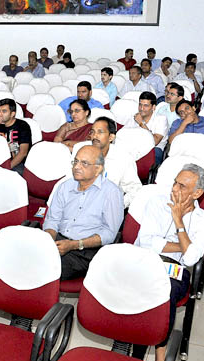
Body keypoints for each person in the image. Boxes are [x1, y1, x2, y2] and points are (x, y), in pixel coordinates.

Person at [134, 164, 204, 361]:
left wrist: (178, 222)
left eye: (182, 186)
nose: (174, 189)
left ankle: (156, 358)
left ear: (197, 193)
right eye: (175, 183)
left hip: (175, 270)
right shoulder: (156, 203)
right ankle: (139, 353)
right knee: (139, 286)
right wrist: (185, 245)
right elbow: (146, 242)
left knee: (163, 291)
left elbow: (190, 258)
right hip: (144, 260)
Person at [44, 145, 124, 280]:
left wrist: (74, 245)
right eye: (75, 161)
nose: (76, 167)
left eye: (84, 163)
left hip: (85, 249)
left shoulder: (111, 193)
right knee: (26, 254)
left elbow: (109, 234)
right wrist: (48, 241)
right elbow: (52, 220)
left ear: (98, 169)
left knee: (46, 268)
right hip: (58, 240)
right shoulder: (65, 186)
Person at [88, 116, 142, 207]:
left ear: (111, 137)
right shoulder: (82, 151)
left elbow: (135, 189)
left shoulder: (123, 158)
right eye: (92, 132)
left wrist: (118, 206)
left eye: (100, 132)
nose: (94, 136)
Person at [0, 98, 31, 174]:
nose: (0, 114)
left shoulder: (23, 126)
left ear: (12, 114)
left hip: (16, 163)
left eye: (4, 111)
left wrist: (6, 169)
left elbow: (23, 153)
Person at [126, 91, 169, 165]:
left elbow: (155, 141)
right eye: (140, 105)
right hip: (135, 148)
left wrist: (141, 123)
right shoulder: (135, 117)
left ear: (153, 107)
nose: (141, 108)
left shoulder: (161, 119)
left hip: (153, 150)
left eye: (146, 105)